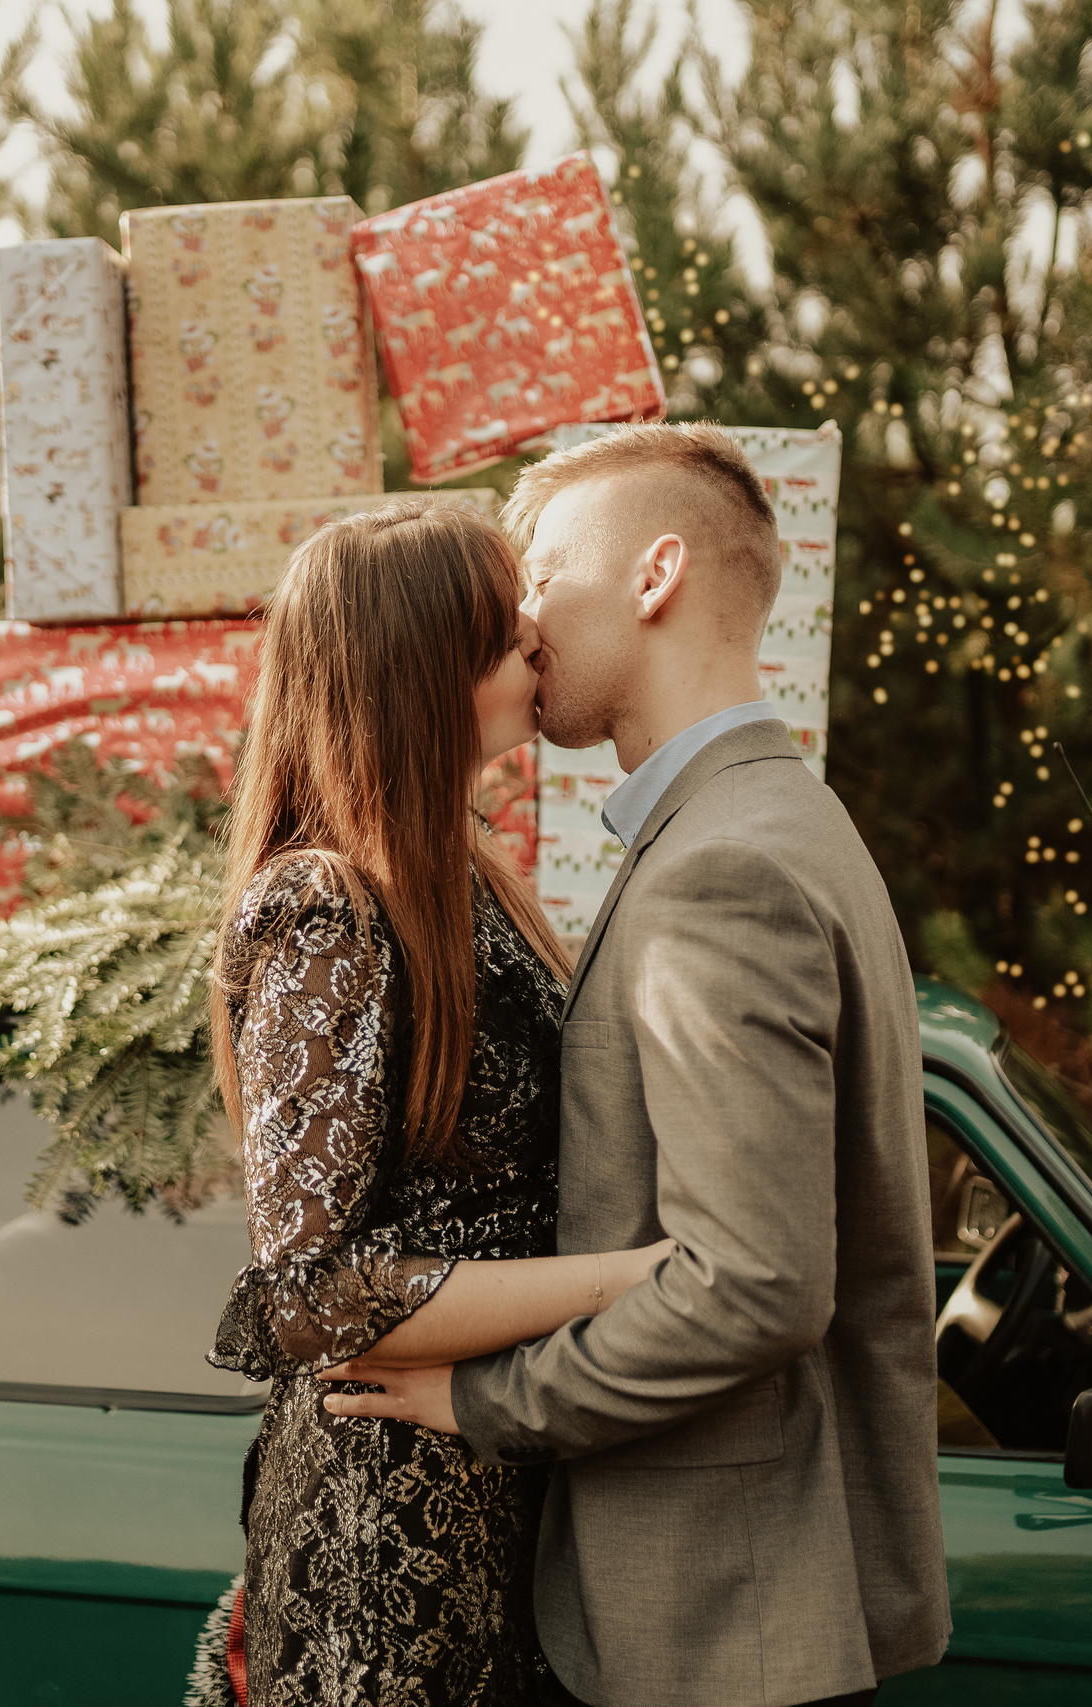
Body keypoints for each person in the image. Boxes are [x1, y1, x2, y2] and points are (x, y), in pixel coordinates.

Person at [322, 424, 952, 1707]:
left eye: (544, 571)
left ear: (655, 575)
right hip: (755, 1613)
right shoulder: (781, 816)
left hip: (721, 1624)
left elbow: (755, 1286)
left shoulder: (722, 868)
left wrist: (484, 1399)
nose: (524, 614)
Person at [193, 501, 674, 1707]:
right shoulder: (324, 908)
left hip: (492, 1471)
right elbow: (305, 1293)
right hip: (387, 1525)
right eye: (498, 631)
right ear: (418, 667)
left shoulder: (468, 881)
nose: (534, 645)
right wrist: (639, 1278)